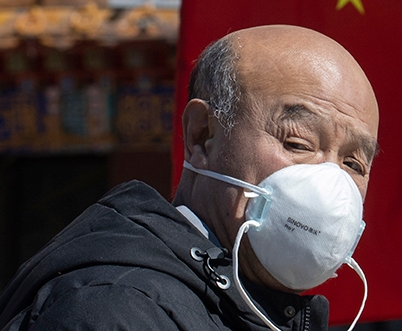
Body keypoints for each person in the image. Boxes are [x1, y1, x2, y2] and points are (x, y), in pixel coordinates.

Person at [0, 25, 379, 331]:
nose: (331, 182)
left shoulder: (255, 311)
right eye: (298, 142)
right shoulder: (115, 308)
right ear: (202, 136)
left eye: (354, 164)